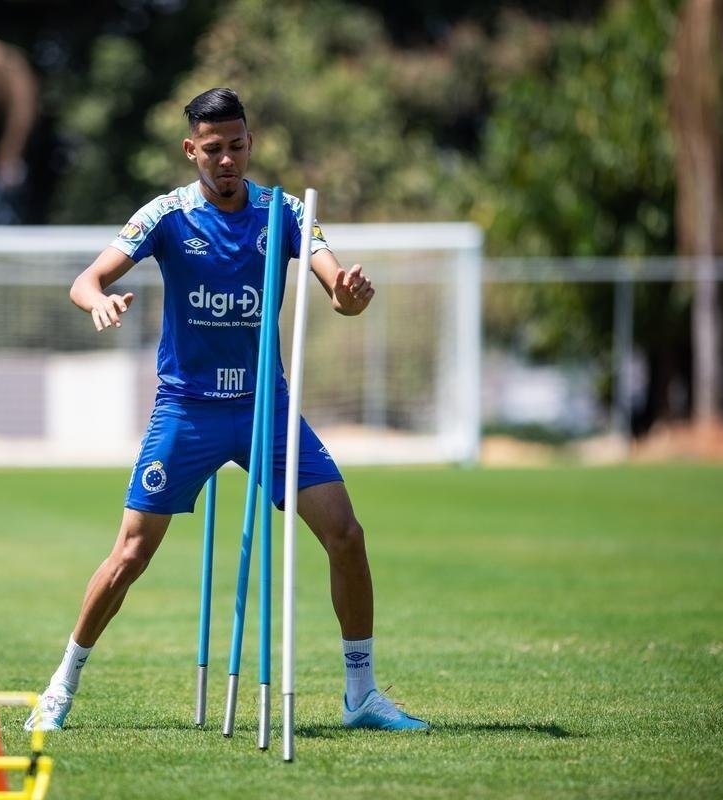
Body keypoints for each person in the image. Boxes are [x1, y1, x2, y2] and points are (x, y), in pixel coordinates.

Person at [24, 88, 427, 733]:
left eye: (237, 146)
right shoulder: (165, 215)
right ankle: (61, 686)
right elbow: (86, 279)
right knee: (130, 553)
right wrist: (96, 299)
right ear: (192, 151)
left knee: (347, 536)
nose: (227, 160)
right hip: (187, 411)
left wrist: (351, 298)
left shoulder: (284, 211)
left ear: (250, 143)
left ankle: (362, 695)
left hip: (264, 408)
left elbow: (337, 291)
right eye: (213, 150)